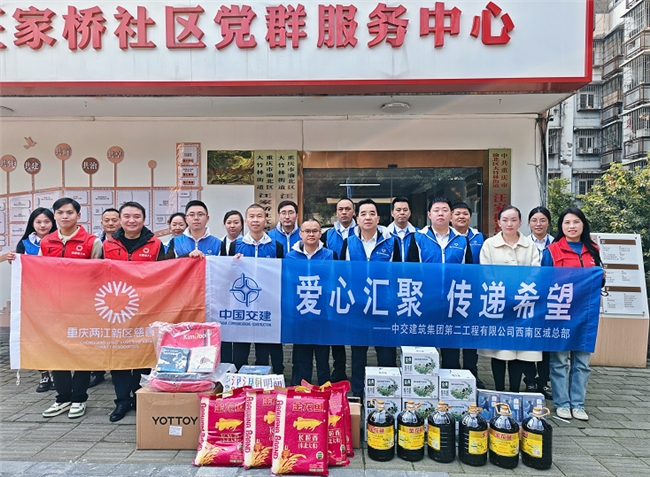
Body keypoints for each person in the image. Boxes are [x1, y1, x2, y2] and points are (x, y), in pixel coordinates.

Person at [41, 198, 103, 419]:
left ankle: (79, 398)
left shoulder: (92, 242)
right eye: (60, 212)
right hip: (55, 307)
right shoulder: (46, 242)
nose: (64, 216)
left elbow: (99, 275)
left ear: (78, 215)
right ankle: (63, 398)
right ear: (55, 216)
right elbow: (39, 271)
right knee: (57, 352)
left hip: (83, 308)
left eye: (69, 212)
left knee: (81, 353)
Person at [103, 202, 165, 422]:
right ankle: (121, 401)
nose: (131, 220)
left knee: (143, 355)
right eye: (127, 216)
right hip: (116, 310)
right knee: (119, 355)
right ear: (120, 219)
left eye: (136, 216)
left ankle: (140, 398)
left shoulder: (156, 244)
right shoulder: (108, 245)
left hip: (146, 309)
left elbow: (168, 272)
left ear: (144, 219)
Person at [542, 207, 602, 422]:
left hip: (586, 313)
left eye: (576, 222)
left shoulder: (593, 249)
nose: (572, 226)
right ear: (561, 227)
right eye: (567, 223)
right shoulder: (551, 251)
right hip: (561, 312)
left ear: (583, 224)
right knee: (559, 361)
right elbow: (544, 282)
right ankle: (562, 403)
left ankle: (578, 404)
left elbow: (597, 281)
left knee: (582, 362)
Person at [410, 197, 476, 380]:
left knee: (451, 353)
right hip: (425, 303)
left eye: (445, 210)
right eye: (436, 210)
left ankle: (450, 388)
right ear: (429, 214)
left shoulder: (462, 240)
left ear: (451, 214)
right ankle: (425, 386)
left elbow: (468, 272)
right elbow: (411, 271)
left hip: (453, 303)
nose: (441, 213)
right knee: (425, 352)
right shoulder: (418, 238)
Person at [340, 198, 400, 398]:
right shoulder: (349, 242)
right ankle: (357, 392)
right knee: (358, 354)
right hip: (358, 306)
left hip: (384, 306)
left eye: (372, 213)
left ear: (378, 218)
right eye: (363, 214)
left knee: (386, 353)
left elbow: (398, 274)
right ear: (357, 218)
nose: (368, 217)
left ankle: (387, 395)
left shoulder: (391, 242)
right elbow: (344, 274)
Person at [478, 205, 541, 393]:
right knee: (499, 350)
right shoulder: (489, 244)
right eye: (505, 220)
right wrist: (503, 295)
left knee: (518, 351)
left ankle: (514, 391)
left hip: (523, 303)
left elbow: (535, 272)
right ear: (498, 222)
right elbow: (486, 272)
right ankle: (498, 390)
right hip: (498, 303)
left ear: (520, 222)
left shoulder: (529, 245)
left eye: (514, 220)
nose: (509, 224)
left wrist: (521, 294)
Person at [7, 207, 57, 392]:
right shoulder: (25, 244)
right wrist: (14, 260)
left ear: (53, 223)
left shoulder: (60, 242)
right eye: (38, 222)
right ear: (32, 224)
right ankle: (44, 374)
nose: (43, 225)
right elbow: (20, 268)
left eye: (47, 221)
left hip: (57, 296)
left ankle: (59, 374)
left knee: (56, 336)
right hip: (33, 298)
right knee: (37, 336)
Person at [232, 204, 285, 373]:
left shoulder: (276, 246)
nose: (255, 220)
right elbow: (226, 274)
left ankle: (264, 381)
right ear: (246, 221)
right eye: (252, 216)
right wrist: (233, 263)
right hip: (242, 306)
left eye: (259, 216)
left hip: (266, 305)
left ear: (266, 220)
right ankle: (238, 381)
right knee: (240, 350)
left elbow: (281, 274)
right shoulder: (235, 245)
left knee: (264, 350)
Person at [286, 218, 336, 385]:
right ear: (300, 234)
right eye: (307, 231)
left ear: (320, 234)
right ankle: (303, 391)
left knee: (323, 356)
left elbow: (333, 281)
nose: (311, 234)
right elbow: (288, 283)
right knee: (302, 356)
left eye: (315, 231)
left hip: (323, 312)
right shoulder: (291, 256)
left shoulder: (329, 255)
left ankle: (324, 391)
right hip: (300, 312)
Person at [449, 201, 486, 388]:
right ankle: (452, 373)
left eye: (465, 214)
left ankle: (472, 373)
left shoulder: (479, 237)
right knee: (452, 335)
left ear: (471, 217)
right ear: (450, 217)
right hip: (450, 293)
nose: (461, 217)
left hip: (474, 292)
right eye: (457, 214)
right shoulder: (446, 238)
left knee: (471, 335)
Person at [322, 198, 357, 383]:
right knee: (336, 331)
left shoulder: (361, 232)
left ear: (353, 212)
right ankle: (339, 369)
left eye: (348, 209)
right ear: (336, 212)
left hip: (357, 288)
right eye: (340, 209)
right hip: (334, 289)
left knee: (358, 329)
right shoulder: (328, 234)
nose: (344, 212)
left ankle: (359, 369)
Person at [90, 208, 123, 388]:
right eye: (107, 220)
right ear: (101, 223)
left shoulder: (125, 240)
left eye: (114, 220)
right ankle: (98, 371)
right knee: (100, 334)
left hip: (122, 293)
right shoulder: (95, 242)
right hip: (99, 293)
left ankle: (120, 371)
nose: (110, 223)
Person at [528, 206, 554, 400]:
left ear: (549, 223)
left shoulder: (556, 244)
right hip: (527, 298)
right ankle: (529, 380)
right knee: (529, 340)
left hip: (550, 299)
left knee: (546, 343)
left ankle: (543, 381)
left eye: (542, 220)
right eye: (534, 220)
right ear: (529, 223)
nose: (538, 224)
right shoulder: (523, 243)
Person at [219, 209, 244, 364]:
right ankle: (226, 364)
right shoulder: (219, 243)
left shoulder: (246, 243)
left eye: (236, 222)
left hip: (241, 291)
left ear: (242, 225)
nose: (232, 225)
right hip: (223, 292)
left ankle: (240, 363)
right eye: (229, 222)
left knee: (240, 329)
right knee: (225, 328)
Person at [386, 196, 416, 262]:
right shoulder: (385, 235)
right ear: (392, 213)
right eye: (398, 210)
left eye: (405, 210)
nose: (402, 213)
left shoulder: (418, 234)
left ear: (410, 213)